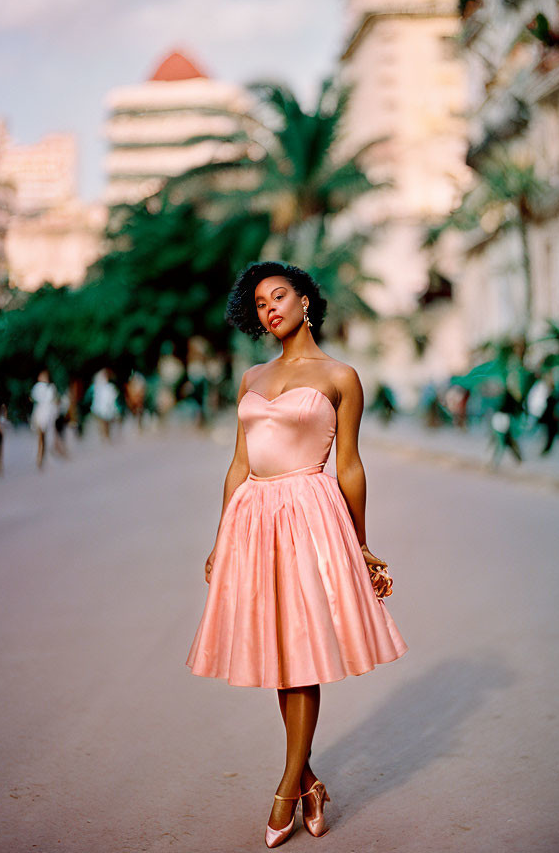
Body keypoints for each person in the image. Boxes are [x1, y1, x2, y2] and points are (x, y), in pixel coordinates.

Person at [186, 262, 408, 847]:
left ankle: (286, 788)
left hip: (312, 513)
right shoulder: (251, 377)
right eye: (259, 304)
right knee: (279, 652)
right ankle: (310, 781)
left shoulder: (341, 376)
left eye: (279, 296)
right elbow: (239, 462)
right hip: (255, 518)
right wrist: (219, 537)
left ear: (306, 300)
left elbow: (351, 465)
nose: (270, 309)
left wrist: (358, 545)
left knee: (303, 650)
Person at [30, 370, 58, 469]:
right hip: (41, 415)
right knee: (41, 438)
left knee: (47, 438)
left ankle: (43, 459)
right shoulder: (39, 387)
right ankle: (40, 459)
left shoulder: (50, 388)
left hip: (48, 415)